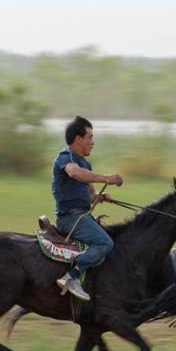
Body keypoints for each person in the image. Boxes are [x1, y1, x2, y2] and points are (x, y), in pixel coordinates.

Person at [52, 116, 123, 301]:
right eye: (90, 137)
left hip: (82, 216)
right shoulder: (66, 158)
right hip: (70, 218)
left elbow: (90, 194)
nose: (93, 142)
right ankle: (72, 276)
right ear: (78, 139)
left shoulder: (85, 164)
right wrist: (107, 178)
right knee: (104, 243)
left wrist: (99, 197)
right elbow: (75, 173)